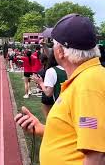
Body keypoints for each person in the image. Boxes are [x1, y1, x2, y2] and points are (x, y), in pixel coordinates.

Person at [15, 14, 105, 165]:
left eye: (54, 45)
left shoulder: (87, 86)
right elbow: (77, 133)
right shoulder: (87, 78)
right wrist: (42, 128)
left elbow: (97, 157)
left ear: (61, 52)